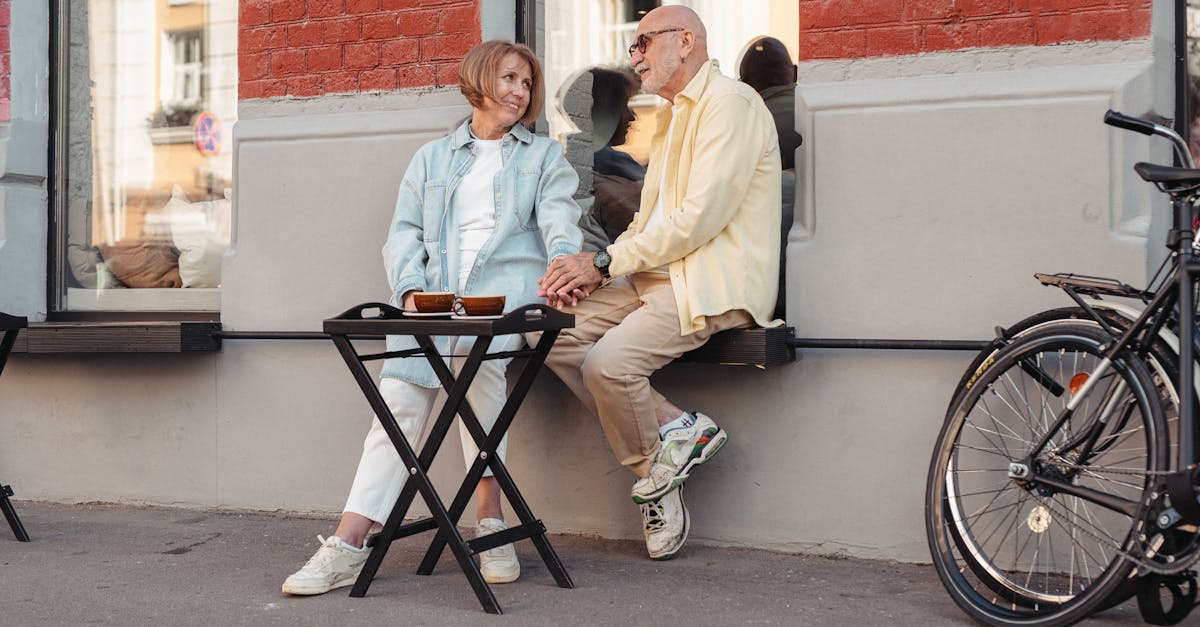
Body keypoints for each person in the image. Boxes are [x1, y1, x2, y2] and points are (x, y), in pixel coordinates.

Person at [282, 40, 582, 595]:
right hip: (433, 305)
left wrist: (565, 266)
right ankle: (348, 543)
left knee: (482, 367)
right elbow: (403, 235)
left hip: (500, 306)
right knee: (397, 400)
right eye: (510, 79)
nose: (519, 92)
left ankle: (491, 521)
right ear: (479, 80)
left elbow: (560, 222)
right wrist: (412, 290)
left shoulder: (544, 158)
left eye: (527, 84)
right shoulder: (433, 158)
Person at [533, 5, 782, 561]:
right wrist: (596, 273)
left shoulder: (731, 106)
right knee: (550, 331)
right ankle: (672, 446)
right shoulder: (670, 116)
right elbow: (650, 221)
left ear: (685, 41)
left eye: (643, 43)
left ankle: (653, 483)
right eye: (635, 46)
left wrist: (601, 264)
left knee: (609, 365)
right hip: (653, 275)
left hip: (711, 281)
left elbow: (698, 221)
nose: (634, 55)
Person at [738, 35, 801, 320]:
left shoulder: (749, 124)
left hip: (766, 292)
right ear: (794, 73)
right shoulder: (811, 112)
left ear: (748, 85)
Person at [589, 67, 646, 242]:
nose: (632, 117)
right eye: (624, 106)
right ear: (603, 110)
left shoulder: (614, 164)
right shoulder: (600, 168)